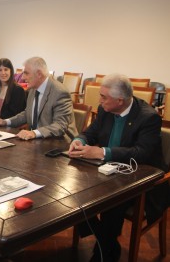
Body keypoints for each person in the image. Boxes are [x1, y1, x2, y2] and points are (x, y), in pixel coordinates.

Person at [68, 74, 169, 262]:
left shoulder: (149, 117)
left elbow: (142, 153)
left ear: (120, 100)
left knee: (112, 202)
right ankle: (108, 245)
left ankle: (103, 252)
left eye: (104, 97)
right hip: (107, 173)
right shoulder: (105, 109)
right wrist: (79, 140)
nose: (100, 100)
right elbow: (90, 132)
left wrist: (103, 153)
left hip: (141, 180)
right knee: (73, 192)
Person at [0, 57, 77, 141]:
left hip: (60, 143)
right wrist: (5, 122)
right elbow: (27, 113)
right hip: (39, 140)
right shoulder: (33, 88)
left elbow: (60, 126)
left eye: (26, 73)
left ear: (39, 74)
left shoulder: (59, 92)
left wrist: (34, 133)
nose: (23, 77)